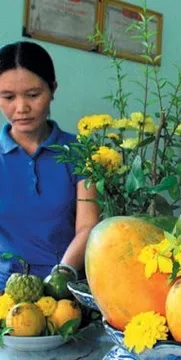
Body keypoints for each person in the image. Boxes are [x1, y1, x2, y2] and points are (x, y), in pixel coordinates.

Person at [0, 41, 99, 288]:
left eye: (33, 95)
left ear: (52, 89)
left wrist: (61, 275)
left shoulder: (79, 151)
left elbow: (88, 226)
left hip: (64, 287)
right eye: (8, 97)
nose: (21, 108)